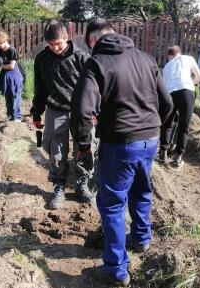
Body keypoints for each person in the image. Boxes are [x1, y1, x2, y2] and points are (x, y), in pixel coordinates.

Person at [70, 18, 173, 287]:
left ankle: (116, 269)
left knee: (112, 204)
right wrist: (152, 127)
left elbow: (82, 111)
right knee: (141, 190)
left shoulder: (97, 63)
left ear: (93, 40)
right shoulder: (146, 58)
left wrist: (83, 146)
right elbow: (168, 103)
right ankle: (141, 238)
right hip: (150, 140)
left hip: (119, 143)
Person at [30, 20, 93, 208]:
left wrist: (94, 110)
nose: (55, 48)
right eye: (51, 44)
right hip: (55, 109)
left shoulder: (81, 57)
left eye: (58, 43)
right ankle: (59, 185)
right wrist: (36, 112)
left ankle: (82, 182)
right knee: (56, 149)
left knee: (85, 146)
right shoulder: (42, 59)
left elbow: (92, 87)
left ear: (67, 38)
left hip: (80, 110)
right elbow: (39, 88)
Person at [158, 45, 200, 168]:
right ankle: (178, 157)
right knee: (184, 125)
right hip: (187, 92)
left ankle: (163, 152)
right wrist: (191, 84)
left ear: (170, 56)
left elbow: (165, 87)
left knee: (167, 124)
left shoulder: (167, 66)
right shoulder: (188, 58)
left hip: (171, 94)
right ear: (179, 53)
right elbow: (199, 77)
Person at [0, 30, 23, 122]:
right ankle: (10, 115)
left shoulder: (12, 50)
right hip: (5, 76)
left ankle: (17, 117)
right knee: (8, 97)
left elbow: (11, 66)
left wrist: (0, 66)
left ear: (3, 41)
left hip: (14, 77)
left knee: (15, 97)